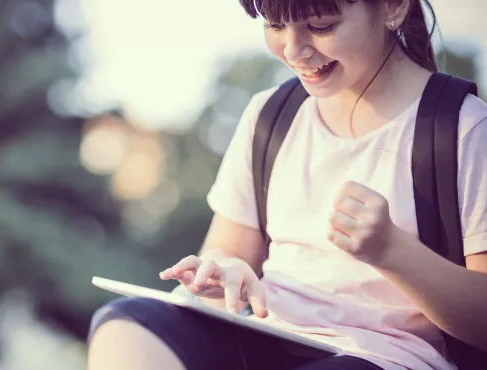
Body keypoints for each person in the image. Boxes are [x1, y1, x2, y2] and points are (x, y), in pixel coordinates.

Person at [86, 0, 487, 369]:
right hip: (269, 335)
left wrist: (393, 251)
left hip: (384, 356)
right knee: (125, 325)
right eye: (275, 24)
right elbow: (227, 249)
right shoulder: (270, 116)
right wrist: (225, 272)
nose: (294, 50)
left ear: (393, 6)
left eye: (321, 25)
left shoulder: (463, 128)